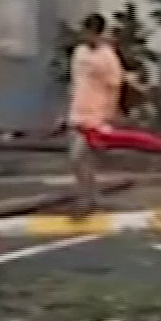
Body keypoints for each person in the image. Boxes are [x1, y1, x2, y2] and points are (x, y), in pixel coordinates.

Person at [65, 13, 125, 213]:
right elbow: (75, 82)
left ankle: (88, 198)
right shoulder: (79, 53)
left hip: (96, 114)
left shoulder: (108, 57)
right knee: (79, 160)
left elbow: (114, 86)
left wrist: (110, 113)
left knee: (80, 156)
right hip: (77, 112)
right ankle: (89, 197)